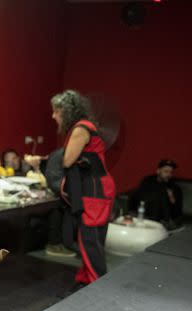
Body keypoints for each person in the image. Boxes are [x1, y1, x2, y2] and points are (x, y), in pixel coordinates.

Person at [53, 89, 116, 284]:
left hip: (95, 190)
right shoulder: (84, 126)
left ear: (66, 110)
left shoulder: (81, 128)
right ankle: (85, 282)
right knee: (89, 241)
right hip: (96, 188)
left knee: (91, 243)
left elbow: (67, 160)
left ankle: (97, 289)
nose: (54, 115)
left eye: (56, 111)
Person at [131, 159, 184, 229]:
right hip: (145, 215)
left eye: (170, 172)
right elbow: (138, 198)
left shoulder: (174, 188)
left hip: (164, 220)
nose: (168, 174)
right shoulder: (148, 181)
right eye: (166, 171)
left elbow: (177, 212)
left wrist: (172, 199)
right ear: (158, 171)